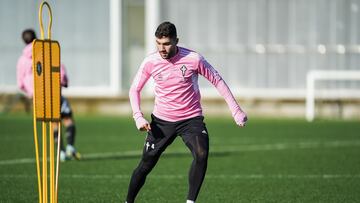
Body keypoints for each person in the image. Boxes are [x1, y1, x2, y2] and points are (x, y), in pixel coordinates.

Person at [126, 22, 248, 203]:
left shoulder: (193, 59)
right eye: (158, 43)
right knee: (145, 165)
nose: (162, 48)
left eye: (166, 43)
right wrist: (138, 116)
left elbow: (218, 81)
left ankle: (190, 202)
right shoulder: (150, 62)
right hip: (161, 122)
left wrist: (235, 110)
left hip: (191, 120)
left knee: (201, 154)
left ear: (176, 41)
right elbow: (134, 90)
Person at [16, 28, 81, 161]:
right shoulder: (46, 51)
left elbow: (20, 83)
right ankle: (70, 147)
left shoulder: (22, 60)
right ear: (36, 38)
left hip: (39, 96)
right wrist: (63, 81)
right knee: (68, 119)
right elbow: (59, 69)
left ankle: (61, 152)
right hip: (53, 91)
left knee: (53, 123)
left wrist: (31, 92)